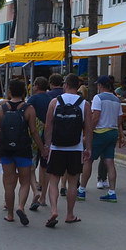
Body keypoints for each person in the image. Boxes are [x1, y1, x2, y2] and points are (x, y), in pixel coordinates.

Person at [0, 79, 44, 225]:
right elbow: (34, 132)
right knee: (25, 181)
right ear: (24, 92)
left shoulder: (1, 109)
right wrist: (42, 149)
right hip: (23, 149)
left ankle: (10, 214)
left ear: (9, 91)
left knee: (9, 184)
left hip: (6, 150)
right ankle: (21, 206)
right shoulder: (29, 109)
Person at [43, 75, 90, 227]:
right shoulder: (84, 104)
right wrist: (88, 148)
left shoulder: (55, 102)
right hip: (75, 148)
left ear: (65, 85)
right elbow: (88, 129)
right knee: (72, 182)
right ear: (77, 86)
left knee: (54, 181)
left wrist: (47, 145)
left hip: (57, 147)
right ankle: (69, 214)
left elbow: (48, 126)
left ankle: (54, 210)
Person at [79, 75, 120, 203]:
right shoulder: (116, 99)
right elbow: (119, 118)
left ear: (100, 86)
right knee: (110, 161)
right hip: (113, 131)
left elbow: (95, 117)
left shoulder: (98, 98)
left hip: (100, 132)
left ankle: (81, 190)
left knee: (88, 159)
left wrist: (88, 132)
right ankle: (112, 192)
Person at [26, 76, 54, 211]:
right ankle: (43, 196)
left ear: (36, 86)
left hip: (34, 135)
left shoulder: (33, 99)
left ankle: (34, 192)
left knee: (31, 166)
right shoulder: (51, 99)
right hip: (49, 135)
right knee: (45, 166)